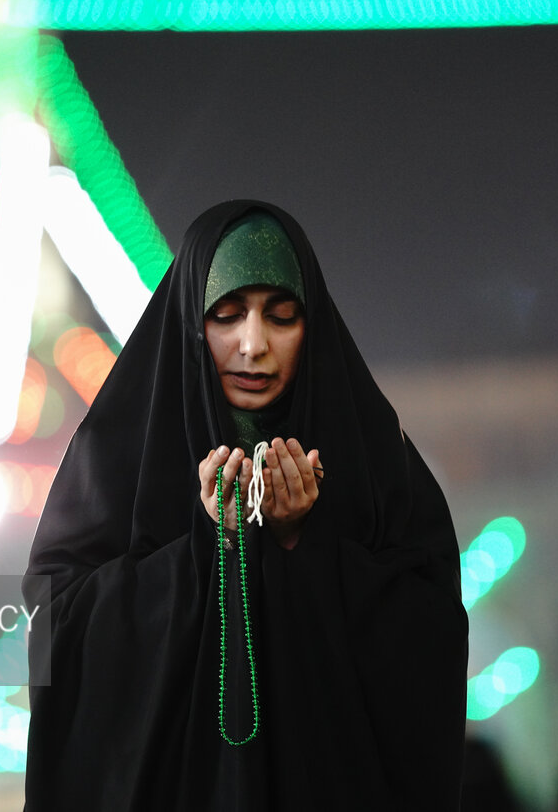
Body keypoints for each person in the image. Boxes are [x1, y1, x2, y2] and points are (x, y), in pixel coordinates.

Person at [23, 200, 468, 811]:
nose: (253, 345)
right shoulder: (117, 456)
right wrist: (206, 551)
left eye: (282, 317)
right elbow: (58, 624)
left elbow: (431, 635)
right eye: (226, 315)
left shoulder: (370, 461)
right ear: (188, 322)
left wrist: (302, 548)